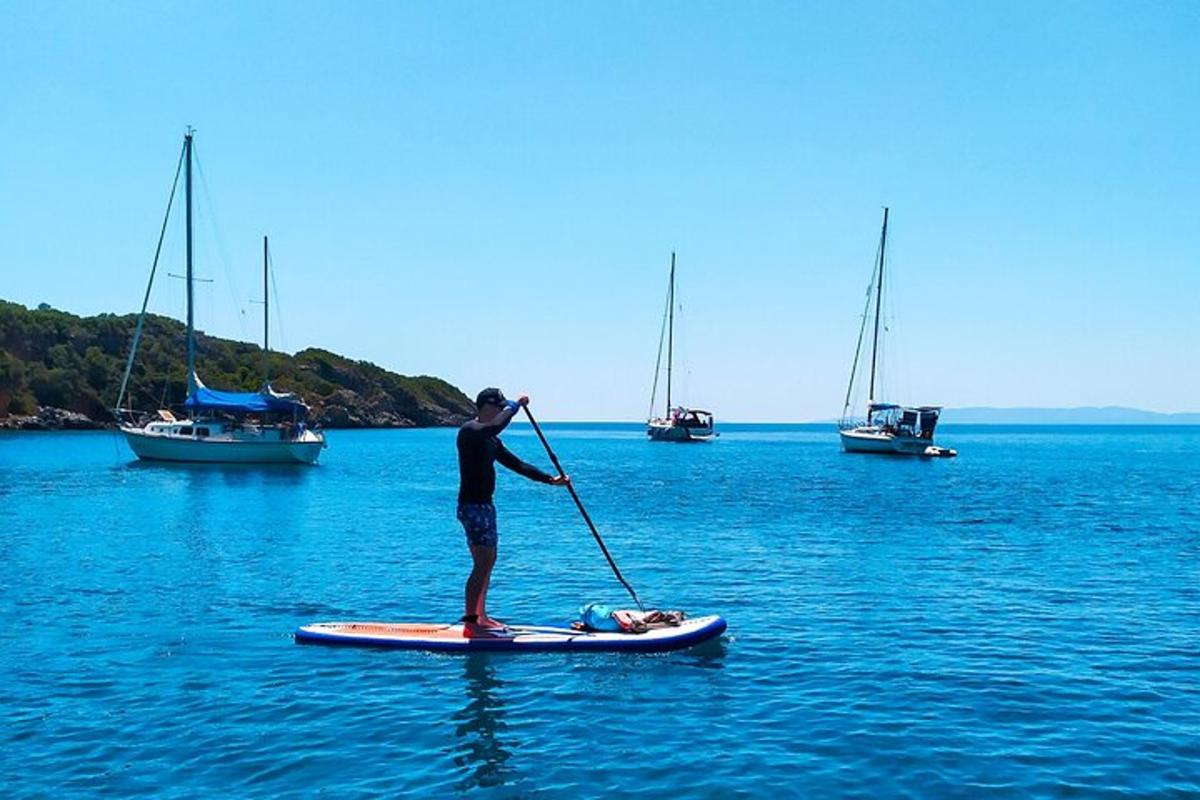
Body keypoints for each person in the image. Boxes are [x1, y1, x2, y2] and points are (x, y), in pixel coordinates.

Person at [456, 388, 569, 636]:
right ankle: (470, 623)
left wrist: (549, 480)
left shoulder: (491, 441)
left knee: (488, 562)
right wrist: (515, 406)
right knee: (481, 563)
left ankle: (481, 616)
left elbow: (517, 464)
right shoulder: (470, 432)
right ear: (487, 406)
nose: (500, 411)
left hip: (486, 506)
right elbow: (495, 426)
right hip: (471, 506)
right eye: (498, 407)